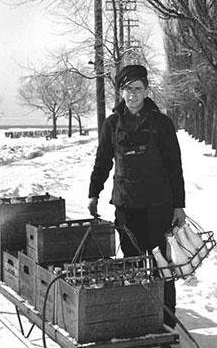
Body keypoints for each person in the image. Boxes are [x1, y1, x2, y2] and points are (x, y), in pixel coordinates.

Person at [88, 64, 186, 330]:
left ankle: (166, 321)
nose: (132, 94)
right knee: (131, 264)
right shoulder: (111, 125)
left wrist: (179, 205)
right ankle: (137, 319)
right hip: (127, 206)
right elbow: (102, 162)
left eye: (138, 89)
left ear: (146, 91)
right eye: (128, 89)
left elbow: (174, 167)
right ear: (121, 92)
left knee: (160, 264)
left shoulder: (161, 124)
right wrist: (93, 193)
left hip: (158, 206)